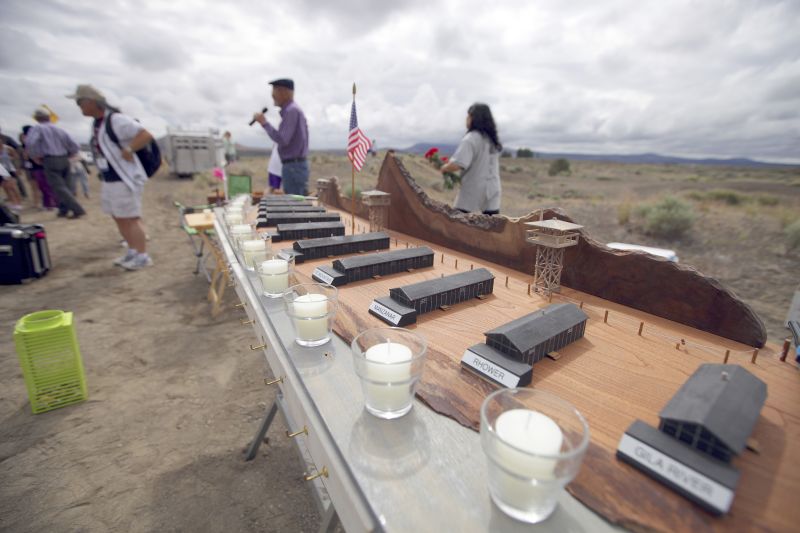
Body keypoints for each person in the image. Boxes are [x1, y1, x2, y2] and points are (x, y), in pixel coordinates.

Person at [67, 84, 154, 270]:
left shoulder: (116, 120)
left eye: (80, 103)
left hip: (125, 177)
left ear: (91, 102)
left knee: (131, 217)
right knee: (118, 216)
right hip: (110, 177)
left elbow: (145, 134)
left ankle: (142, 256)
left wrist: (129, 149)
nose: (79, 107)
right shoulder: (97, 123)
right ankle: (132, 250)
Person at [440, 103, 502, 215]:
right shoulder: (492, 140)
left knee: (458, 222)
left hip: (472, 192)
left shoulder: (471, 138)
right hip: (493, 191)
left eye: (468, 116)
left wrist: (444, 167)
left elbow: (458, 164)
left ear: (474, 118)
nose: (466, 119)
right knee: (491, 224)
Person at [25, 106, 86, 218]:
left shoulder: (38, 128)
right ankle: (63, 210)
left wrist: (35, 156)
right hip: (64, 158)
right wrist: (71, 153)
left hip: (50, 159)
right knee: (66, 186)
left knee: (58, 187)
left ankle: (77, 209)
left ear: (37, 118)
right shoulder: (59, 129)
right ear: (49, 117)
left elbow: (30, 143)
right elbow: (74, 144)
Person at [252, 78, 309, 195]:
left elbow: (283, 139)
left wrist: (264, 123)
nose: (273, 96)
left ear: (284, 92)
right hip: (294, 167)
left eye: (274, 92)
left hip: (293, 168)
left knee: (294, 204)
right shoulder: (292, 110)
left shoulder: (291, 111)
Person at [20, 125, 57, 210]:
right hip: (35, 167)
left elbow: (28, 156)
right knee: (42, 186)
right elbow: (26, 156)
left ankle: (51, 203)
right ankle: (48, 204)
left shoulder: (35, 142)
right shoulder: (28, 144)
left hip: (40, 166)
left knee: (45, 185)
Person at [0, 137, 23, 210]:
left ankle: (19, 203)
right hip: (1, 171)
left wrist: (17, 168)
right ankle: (13, 202)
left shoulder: (8, 148)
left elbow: (16, 157)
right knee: (6, 187)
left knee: (12, 187)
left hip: (10, 169)